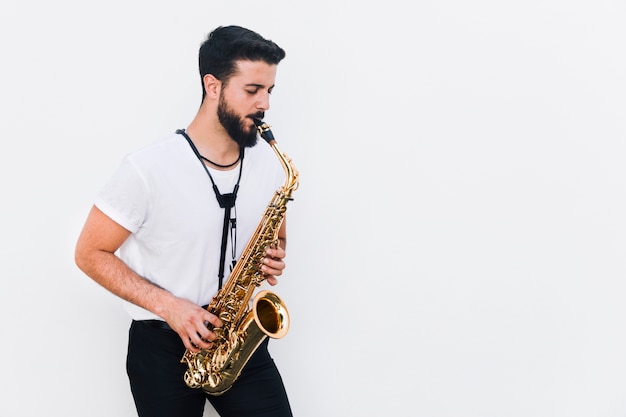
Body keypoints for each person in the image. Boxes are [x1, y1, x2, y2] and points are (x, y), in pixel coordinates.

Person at [74, 25, 293, 417]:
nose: (265, 104)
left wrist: (276, 255)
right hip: (162, 347)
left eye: (270, 91)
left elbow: (277, 236)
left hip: (239, 338)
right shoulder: (147, 168)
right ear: (213, 86)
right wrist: (171, 307)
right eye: (252, 90)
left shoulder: (271, 166)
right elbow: (90, 253)